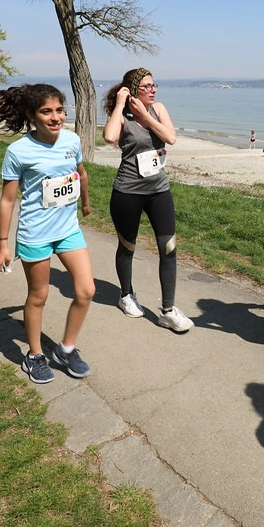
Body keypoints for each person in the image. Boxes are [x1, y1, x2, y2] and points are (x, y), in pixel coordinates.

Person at [0, 84, 95, 383]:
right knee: (39, 295)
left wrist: (85, 202)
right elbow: (8, 200)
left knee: (86, 291)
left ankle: (65, 349)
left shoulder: (71, 140)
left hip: (67, 229)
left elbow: (81, 173)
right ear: (31, 115)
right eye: (47, 111)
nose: (55, 117)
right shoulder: (18, 151)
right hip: (35, 233)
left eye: (59, 110)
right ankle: (34, 355)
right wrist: (2, 244)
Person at [102, 68, 192, 332]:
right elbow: (109, 137)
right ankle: (126, 295)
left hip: (159, 190)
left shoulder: (159, 109)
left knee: (169, 247)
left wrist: (145, 117)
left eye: (155, 85)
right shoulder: (121, 116)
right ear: (133, 90)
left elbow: (171, 137)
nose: (154, 89)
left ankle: (167, 310)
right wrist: (121, 104)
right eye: (148, 86)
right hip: (127, 191)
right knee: (127, 247)